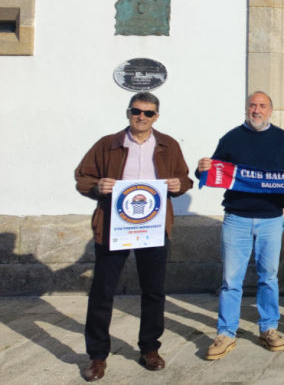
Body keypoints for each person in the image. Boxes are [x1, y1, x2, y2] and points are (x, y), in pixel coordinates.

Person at [74, 92, 193, 381]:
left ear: (156, 116)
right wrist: (96, 187)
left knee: (153, 290)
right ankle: (98, 356)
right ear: (128, 113)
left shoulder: (168, 144)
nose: (142, 117)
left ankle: (150, 348)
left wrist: (180, 185)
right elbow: (83, 177)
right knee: (102, 292)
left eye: (148, 113)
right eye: (136, 111)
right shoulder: (108, 144)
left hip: (153, 227)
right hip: (115, 226)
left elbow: (185, 178)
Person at [198, 91, 284, 360]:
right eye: (252, 105)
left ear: (270, 111)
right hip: (236, 218)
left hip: (271, 219)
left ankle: (269, 328)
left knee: (269, 277)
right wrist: (201, 168)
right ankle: (226, 333)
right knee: (231, 280)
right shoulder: (231, 138)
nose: (257, 110)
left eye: (262, 106)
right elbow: (211, 169)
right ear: (245, 109)